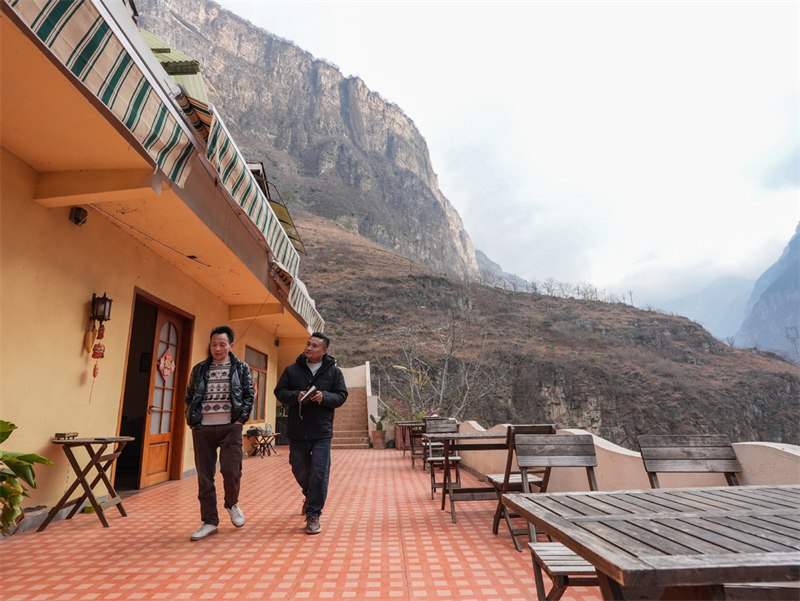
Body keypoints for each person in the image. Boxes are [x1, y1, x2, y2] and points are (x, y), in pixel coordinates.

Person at [184, 325, 254, 541]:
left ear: (230, 346)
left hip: (230, 427)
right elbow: (189, 396)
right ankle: (209, 521)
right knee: (205, 477)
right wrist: (193, 420)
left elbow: (249, 395)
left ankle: (232, 504)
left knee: (232, 471)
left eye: (222, 345)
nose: (217, 348)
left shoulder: (241, 368)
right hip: (203, 428)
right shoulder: (199, 369)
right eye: (213, 344)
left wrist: (240, 419)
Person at [274, 332, 348, 534]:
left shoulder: (334, 372)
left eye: (315, 346)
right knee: (299, 468)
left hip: (322, 430)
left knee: (320, 471)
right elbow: (279, 392)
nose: (309, 348)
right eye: (308, 344)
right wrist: (295, 395)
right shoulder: (292, 370)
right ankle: (309, 494)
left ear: (324, 351)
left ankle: (313, 513)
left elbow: (341, 396)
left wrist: (324, 397)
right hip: (297, 430)